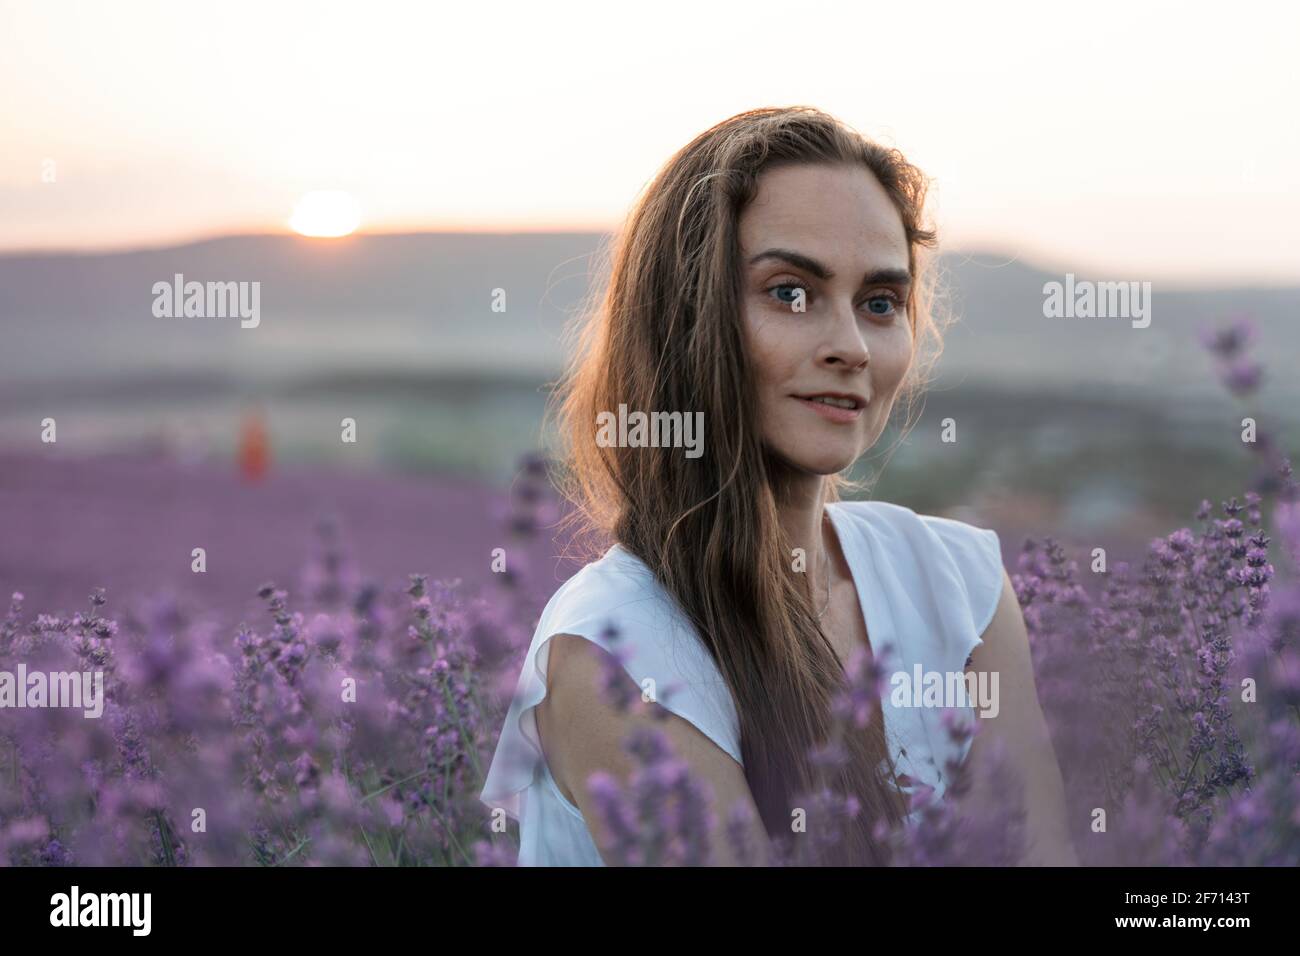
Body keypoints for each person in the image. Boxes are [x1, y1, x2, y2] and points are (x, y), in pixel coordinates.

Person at [481, 106, 1075, 866]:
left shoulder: (958, 585)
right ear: (685, 321)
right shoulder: (616, 652)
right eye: (790, 293)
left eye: (880, 303)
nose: (851, 347)